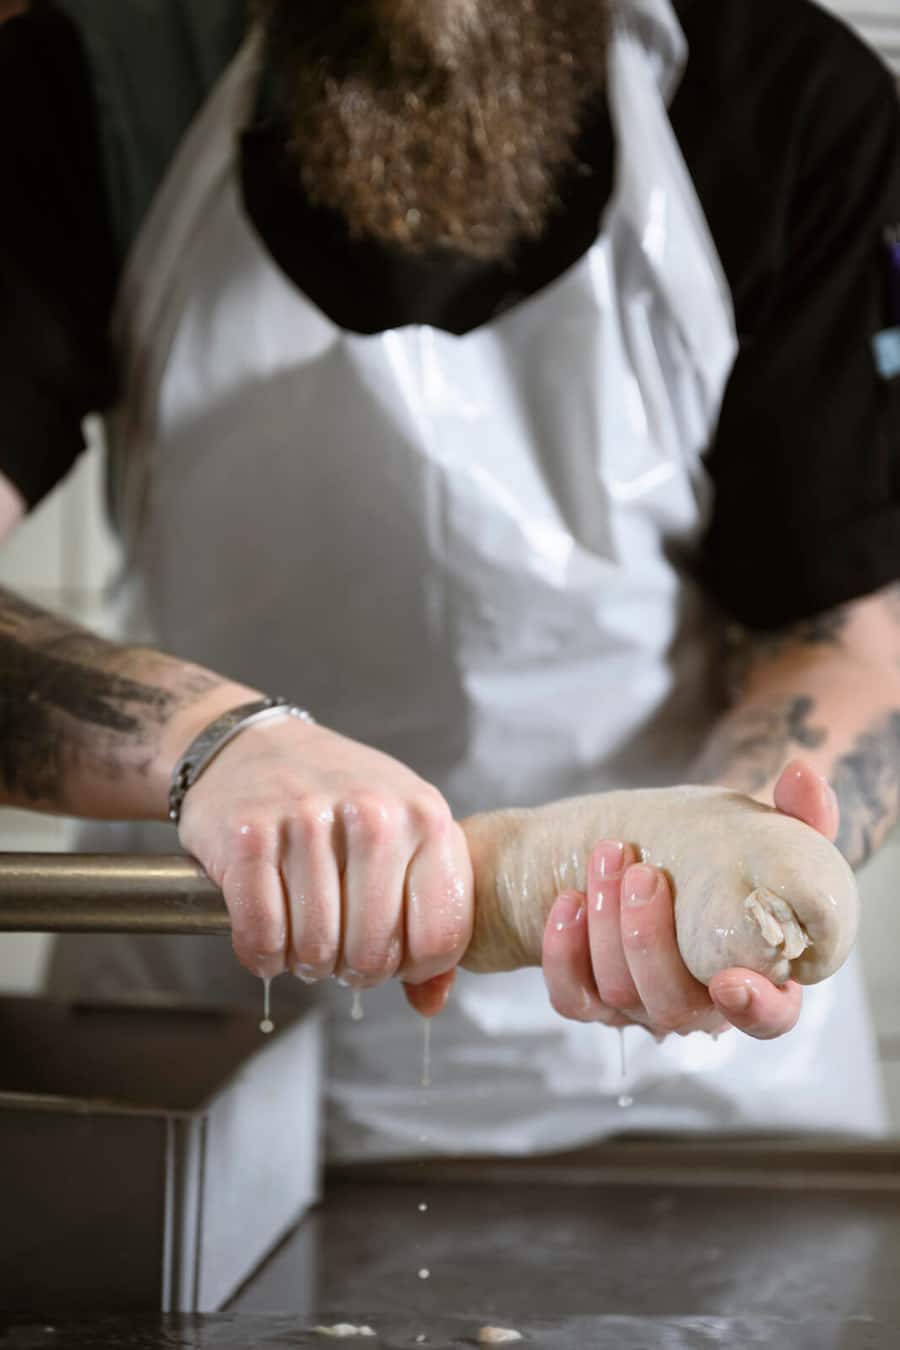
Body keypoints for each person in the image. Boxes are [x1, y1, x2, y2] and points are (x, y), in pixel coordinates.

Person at [0, 0, 897, 1158]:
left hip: (685, 1097)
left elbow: (848, 638)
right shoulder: (94, 83)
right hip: (206, 1063)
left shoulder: (786, 102)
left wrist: (714, 863)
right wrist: (218, 743)